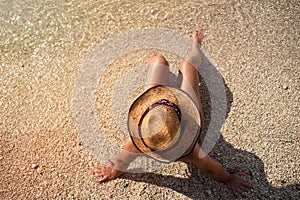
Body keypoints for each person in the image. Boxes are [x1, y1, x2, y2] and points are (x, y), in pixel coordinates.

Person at [92, 29, 252, 196]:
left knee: (171, 63)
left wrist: (113, 172)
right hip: (173, 111)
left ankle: (195, 47)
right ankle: (193, 51)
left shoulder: (147, 145)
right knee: (177, 63)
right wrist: (228, 178)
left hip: (173, 112)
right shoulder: (184, 149)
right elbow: (214, 169)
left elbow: (122, 161)